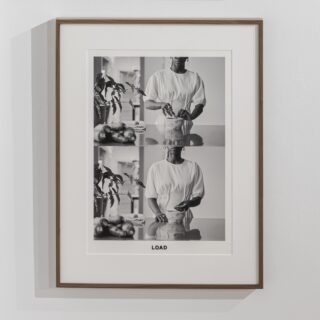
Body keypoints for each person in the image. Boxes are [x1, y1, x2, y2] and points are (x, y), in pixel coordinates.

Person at [145, 146, 205, 223]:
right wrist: (158, 213)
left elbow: (198, 196)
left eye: (177, 142)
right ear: (165, 144)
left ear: (182, 144)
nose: (174, 145)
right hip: (161, 218)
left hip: (183, 218)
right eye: (170, 142)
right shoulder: (155, 167)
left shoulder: (193, 167)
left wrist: (189, 203)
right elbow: (150, 196)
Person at [144, 57, 206, 126]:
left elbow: (200, 103)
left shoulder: (194, 77)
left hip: (184, 124)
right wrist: (161, 104)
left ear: (187, 57)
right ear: (171, 55)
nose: (178, 57)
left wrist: (191, 116)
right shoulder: (158, 76)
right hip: (163, 125)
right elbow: (147, 103)